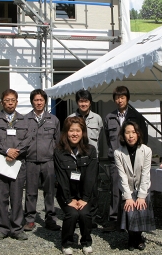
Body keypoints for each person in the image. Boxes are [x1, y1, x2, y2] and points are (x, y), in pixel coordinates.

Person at [0, 89, 30, 241]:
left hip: (18, 163)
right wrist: (6, 150)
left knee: (17, 197)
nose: (10, 102)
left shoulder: (25, 120)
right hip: (1, 162)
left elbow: (27, 139)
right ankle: (3, 228)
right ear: (2, 102)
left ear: (17, 102)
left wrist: (15, 152)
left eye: (13, 100)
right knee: (1, 196)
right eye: (7, 100)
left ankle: (17, 228)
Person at [103, 86, 148, 232]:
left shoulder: (136, 116)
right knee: (115, 190)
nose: (119, 100)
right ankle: (115, 219)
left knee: (133, 189)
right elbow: (107, 138)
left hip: (133, 159)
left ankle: (132, 219)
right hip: (115, 158)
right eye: (117, 97)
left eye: (122, 97)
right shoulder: (109, 117)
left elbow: (143, 137)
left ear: (127, 98)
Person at [54, 116, 98, 255]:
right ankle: (66, 243)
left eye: (78, 130)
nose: (74, 134)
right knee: (72, 214)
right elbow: (61, 178)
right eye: (71, 130)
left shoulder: (90, 150)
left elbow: (91, 177)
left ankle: (86, 241)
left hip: (86, 194)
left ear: (83, 132)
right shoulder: (59, 152)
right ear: (66, 132)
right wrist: (68, 200)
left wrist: (84, 198)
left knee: (85, 214)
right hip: (66, 194)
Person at [114, 120, 155, 251]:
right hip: (128, 188)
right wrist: (128, 197)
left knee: (141, 208)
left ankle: (138, 238)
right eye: (127, 132)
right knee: (130, 210)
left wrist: (142, 195)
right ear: (123, 135)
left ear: (138, 134)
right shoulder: (118, 152)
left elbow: (145, 174)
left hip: (142, 187)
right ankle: (132, 238)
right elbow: (122, 176)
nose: (131, 136)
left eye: (133, 132)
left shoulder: (146, 150)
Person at [24, 89, 61, 231]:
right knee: (30, 192)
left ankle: (50, 219)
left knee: (50, 191)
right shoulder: (25, 120)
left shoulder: (53, 120)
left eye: (41, 100)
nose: (39, 102)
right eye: (36, 100)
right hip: (30, 160)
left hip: (48, 161)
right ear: (32, 101)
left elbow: (57, 142)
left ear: (45, 102)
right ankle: (30, 219)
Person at [68, 89, 103, 227]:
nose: (83, 104)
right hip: (75, 160)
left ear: (90, 102)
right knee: (75, 188)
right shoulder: (70, 118)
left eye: (86, 101)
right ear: (77, 102)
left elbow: (100, 138)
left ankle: (91, 218)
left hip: (92, 161)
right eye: (81, 101)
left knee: (92, 189)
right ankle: (76, 217)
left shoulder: (97, 118)